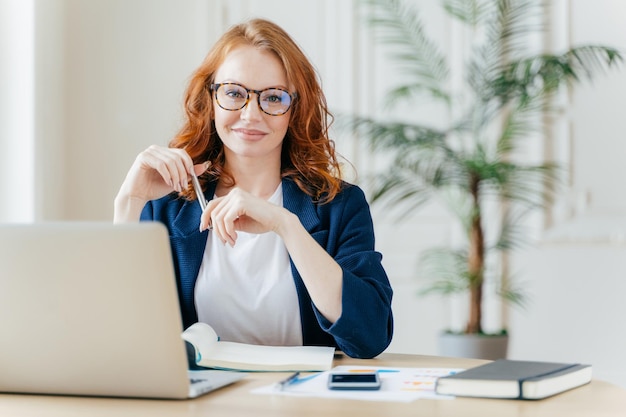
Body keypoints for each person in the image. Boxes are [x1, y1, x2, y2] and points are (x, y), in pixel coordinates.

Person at [114, 18, 393, 359]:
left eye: (273, 98)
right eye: (234, 93)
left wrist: (286, 225)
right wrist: (130, 203)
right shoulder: (169, 205)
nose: (250, 114)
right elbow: (123, 335)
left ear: (295, 109)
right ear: (211, 98)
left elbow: (371, 335)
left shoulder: (339, 205)